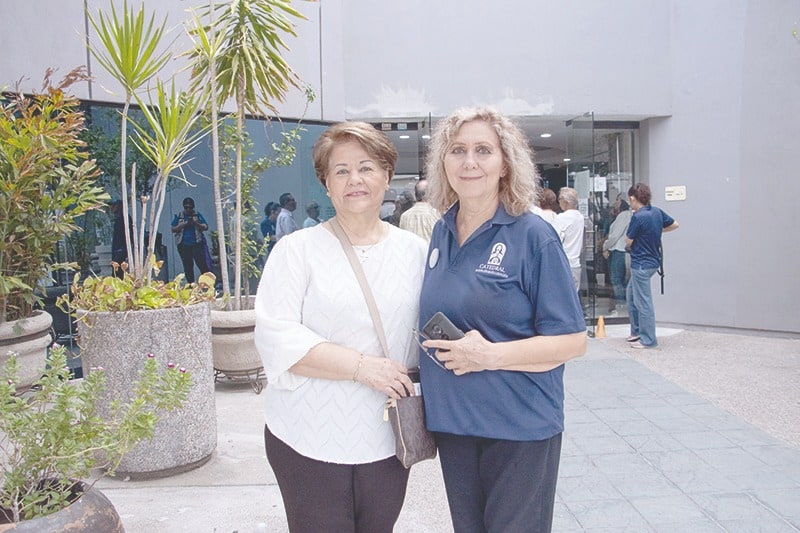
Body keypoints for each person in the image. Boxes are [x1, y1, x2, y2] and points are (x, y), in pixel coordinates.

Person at [418, 107, 587, 533]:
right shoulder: (441, 231)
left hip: (519, 428)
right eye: (457, 150)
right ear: (443, 162)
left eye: (483, 150)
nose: (469, 162)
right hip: (455, 427)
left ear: (505, 163)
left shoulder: (533, 235)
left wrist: (488, 355)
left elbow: (572, 342)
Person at [253, 121, 428, 532]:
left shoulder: (416, 252)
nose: (355, 180)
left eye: (366, 167)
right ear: (326, 183)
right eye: (341, 170)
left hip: (389, 436)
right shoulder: (297, 251)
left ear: (387, 175)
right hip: (307, 436)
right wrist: (362, 367)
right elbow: (276, 336)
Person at [625, 183, 679, 349]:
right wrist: (655, 231)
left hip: (640, 264)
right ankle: (637, 332)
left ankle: (648, 339)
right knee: (631, 295)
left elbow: (628, 240)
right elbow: (675, 224)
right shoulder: (656, 212)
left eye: (630, 200)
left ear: (633, 198)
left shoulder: (638, 217)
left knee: (643, 302)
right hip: (653, 262)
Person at [602, 195, 632, 314]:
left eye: (618, 200)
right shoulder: (626, 215)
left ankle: (621, 305)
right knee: (622, 280)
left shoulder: (624, 215)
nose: (615, 203)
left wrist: (605, 246)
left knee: (616, 279)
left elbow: (614, 235)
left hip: (619, 250)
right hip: (622, 250)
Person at [171, 197, 211, 284]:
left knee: (202, 264)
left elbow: (205, 227)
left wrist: (196, 223)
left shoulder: (197, 215)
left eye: (190, 207)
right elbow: (173, 229)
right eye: (186, 207)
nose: (188, 209)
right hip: (183, 245)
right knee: (188, 266)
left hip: (197, 243)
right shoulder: (179, 216)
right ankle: (191, 284)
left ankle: (207, 284)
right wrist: (184, 224)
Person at [556, 186, 585, 291]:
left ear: (565, 201)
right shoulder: (580, 217)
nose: (558, 202)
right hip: (575, 263)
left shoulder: (562, 218)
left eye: (559, 199)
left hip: (563, 263)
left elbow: (556, 239)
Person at [109, 199, 132, 278]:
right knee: (116, 268)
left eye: (114, 206)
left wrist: (123, 248)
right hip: (117, 247)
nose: (111, 208)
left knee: (117, 268)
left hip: (122, 247)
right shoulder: (118, 218)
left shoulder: (124, 218)